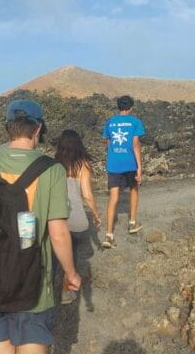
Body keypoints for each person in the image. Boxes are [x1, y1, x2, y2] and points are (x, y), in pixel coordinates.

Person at [0, 99, 81, 354]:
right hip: (32, 285)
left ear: (8, 127)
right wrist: (71, 273)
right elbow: (58, 233)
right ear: (38, 128)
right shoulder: (52, 170)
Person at [54, 129, 102, 304]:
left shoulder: (54, 164)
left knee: (53, 256)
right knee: (71, 254)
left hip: (54, 217)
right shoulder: (82, 165)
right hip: (74, 219)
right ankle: (66, 291)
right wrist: (96, 214)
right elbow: (87, 195)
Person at [101, 95, 145, 249]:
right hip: (130, 163)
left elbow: (108, 144)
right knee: (134, 189)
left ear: (118, 107)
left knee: (113, 196)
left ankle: (108, 235)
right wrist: (139, 167)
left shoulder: (110, 122)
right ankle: (132, 223)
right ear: (131, 107)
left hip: (114, 164)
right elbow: (135, 144)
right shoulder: (135, 122)